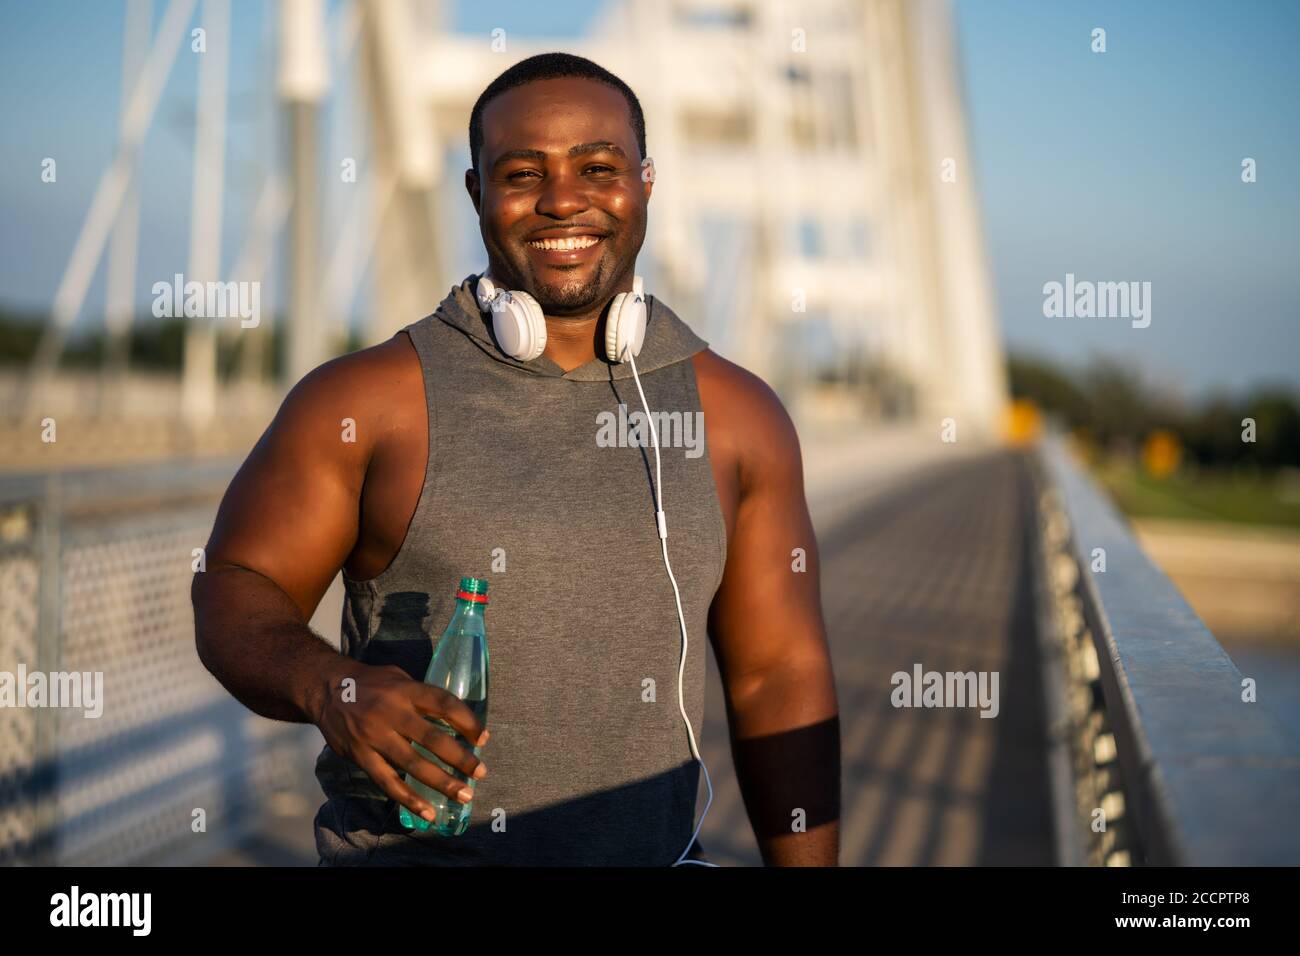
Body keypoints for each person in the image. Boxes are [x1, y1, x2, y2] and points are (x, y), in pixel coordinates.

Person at [192, 52, 840, 866]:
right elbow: (235, 590)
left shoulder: (740, 416)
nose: (562, 199)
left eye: (597, 168)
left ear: (644, 181)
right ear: (475, 193)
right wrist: (334, 688)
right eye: (523, 172)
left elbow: (777, 676)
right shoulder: (365, 401)